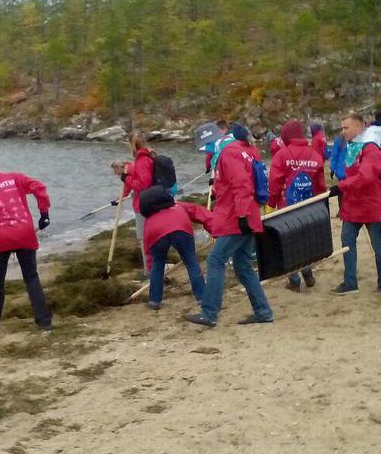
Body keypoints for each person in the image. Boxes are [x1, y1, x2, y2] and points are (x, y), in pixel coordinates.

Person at [186, 123, 273, 327]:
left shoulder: (228, 153)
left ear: (210, 141)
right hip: (244, 214)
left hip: (237, 217)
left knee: (216, 260)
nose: (204, 151)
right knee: (243, 266)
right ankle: (263, 311)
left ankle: (209, 313)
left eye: (204, 147)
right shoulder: (237, 150)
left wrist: (242, 215)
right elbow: (236, 182)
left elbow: (241, 184)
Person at [0, 158, 52, 334]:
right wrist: (44, 214)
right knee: (31, 277)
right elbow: (40, 188)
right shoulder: (15, 177)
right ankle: (44, 322)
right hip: (24, 232)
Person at [329, 112, 381, 295]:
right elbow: (350, 173)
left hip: (372, 204)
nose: (343, 131)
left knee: (378, 244)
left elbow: (366, 176)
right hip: (353, 205)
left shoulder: (371, 149)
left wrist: (341, 187)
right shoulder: (352, 147)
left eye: (346, 128)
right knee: (347, 241)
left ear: (359, 126)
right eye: (342, 128)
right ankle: (350, 282)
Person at [267, 119, 327, 292]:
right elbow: (321, 185)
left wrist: (270, 205)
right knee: (304, 240)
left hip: (287, 206)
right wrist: (320, 203)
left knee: (287, 243)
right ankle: (308, 275)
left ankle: (294, 280)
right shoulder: (314, 155)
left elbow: (275, 183)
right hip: (309, 206)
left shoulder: (282, 155)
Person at [140, 185, 213, 310]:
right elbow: (200, 213)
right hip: (180, 227)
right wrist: (215, 230)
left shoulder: (149, 220)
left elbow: (148, 250)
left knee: (157, 265)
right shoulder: (178, 205)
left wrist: (150, 266)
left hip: (155, 232)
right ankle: (202, 298)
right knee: (191, 262)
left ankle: (154, 301)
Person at [120, 131, 155, 276]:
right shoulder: (148, 156)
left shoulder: (142, 160)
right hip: (151, 201)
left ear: (132, 145)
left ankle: (149, 271)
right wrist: (122, 196)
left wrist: (126, 179)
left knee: (144, 238)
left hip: (143, 204)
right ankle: (153, 268)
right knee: (151, 236)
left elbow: (143, 184)